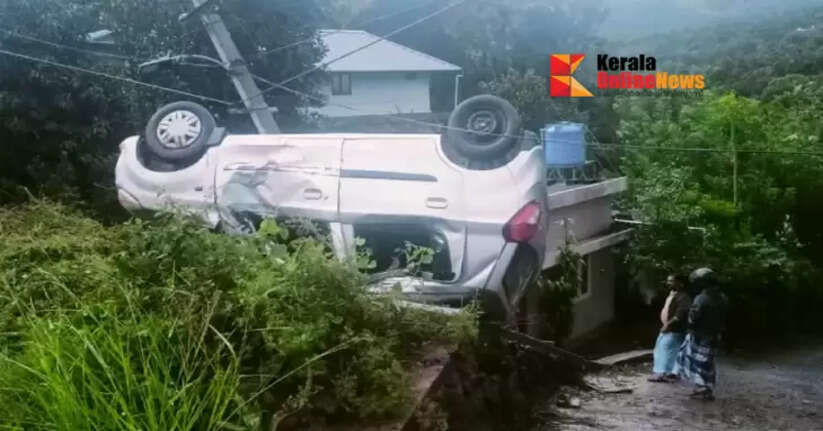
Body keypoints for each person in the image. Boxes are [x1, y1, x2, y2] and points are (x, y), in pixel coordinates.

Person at [677, 267, 728, 401]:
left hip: (700, 335)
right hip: (715, 334)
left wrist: (689, 327)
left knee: (697, 362)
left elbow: (693, 317)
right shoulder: (723, 297)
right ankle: (707, 389)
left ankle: (701, 388)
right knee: (708, 363)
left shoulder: (701, 298)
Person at [648, 274, 692, 383]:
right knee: (670, 350)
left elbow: (680, 315)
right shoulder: (674, 295)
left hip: (674, 329)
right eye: (668, 281)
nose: (668, 283)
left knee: (664, 349)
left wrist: (667, 324)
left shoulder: (684, 297)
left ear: (680, 283)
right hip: (670, 328)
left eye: (671, 281)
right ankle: (671, 373)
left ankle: (661, 373)